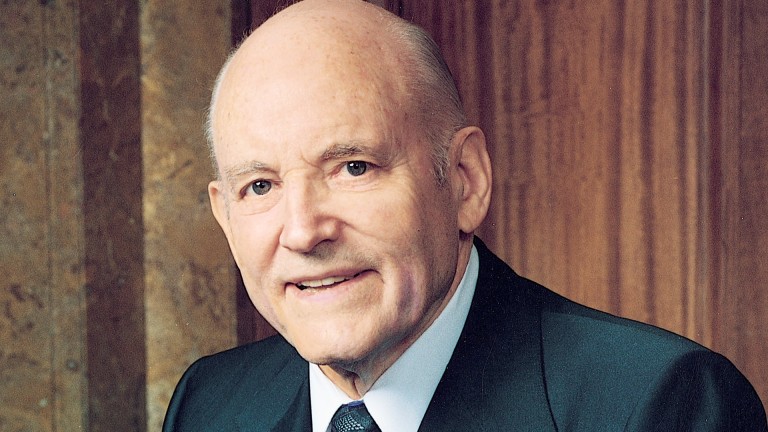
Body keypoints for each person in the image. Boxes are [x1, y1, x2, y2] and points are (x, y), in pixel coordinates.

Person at [163, 0, 767, 430]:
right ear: (225, 218)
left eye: (353, 167)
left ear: (465, 180)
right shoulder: (208, 405)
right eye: (260, 186)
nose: (302, 231)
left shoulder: (660, 406)